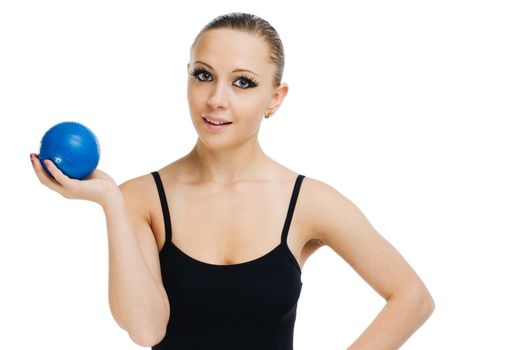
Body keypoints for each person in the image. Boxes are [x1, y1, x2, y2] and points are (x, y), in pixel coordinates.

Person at [30, 12, 434, 350]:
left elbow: (412, 298)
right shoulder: (139, 198)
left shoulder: (309, 202)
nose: (216, 99)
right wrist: (110, 202)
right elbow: (146, 329)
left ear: (275, 98)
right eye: (203, 75)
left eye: (243, 82)